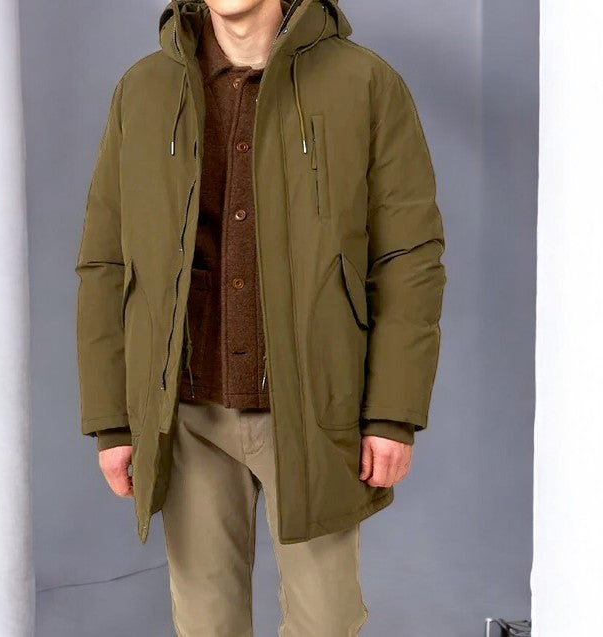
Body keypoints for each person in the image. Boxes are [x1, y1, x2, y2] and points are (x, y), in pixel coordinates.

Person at [74, 0, 446, 634]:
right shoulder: (143, 90)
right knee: (206, 625)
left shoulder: (363, 82)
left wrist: (392, 413)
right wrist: (112, 421)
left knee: (325, 622)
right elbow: (106, 262)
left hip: (314, 411)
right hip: (185, 412)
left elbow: (408, 258)